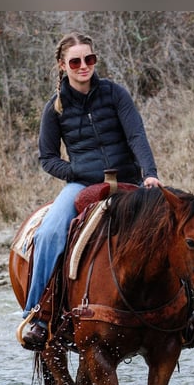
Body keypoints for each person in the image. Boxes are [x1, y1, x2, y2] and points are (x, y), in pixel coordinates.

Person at [21, 31, 162, 350]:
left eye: (90, 59)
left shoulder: (115, 94)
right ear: (62, 65)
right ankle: (38, 317)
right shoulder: (54, 109)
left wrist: (150, 175)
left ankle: (189, 314)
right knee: (49, 234)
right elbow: (47, 158)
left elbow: (136, 136)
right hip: (82, 184)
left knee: (174, 225)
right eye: (75, 61)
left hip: (128, 180)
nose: (84, 66)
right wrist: (76, 172)